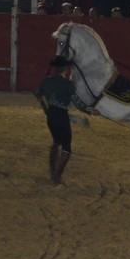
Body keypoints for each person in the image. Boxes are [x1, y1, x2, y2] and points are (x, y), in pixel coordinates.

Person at [35, 56, 78, 184]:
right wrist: (91, 110)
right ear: (65, 69)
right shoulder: (69, 85)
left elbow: (38, 94)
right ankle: (56, 177)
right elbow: (77, 102)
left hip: (51, 115)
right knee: (66, 148)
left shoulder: (46, 81)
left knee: (56, 142)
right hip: (62, 116)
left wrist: (45, 109)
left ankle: (52, 171)